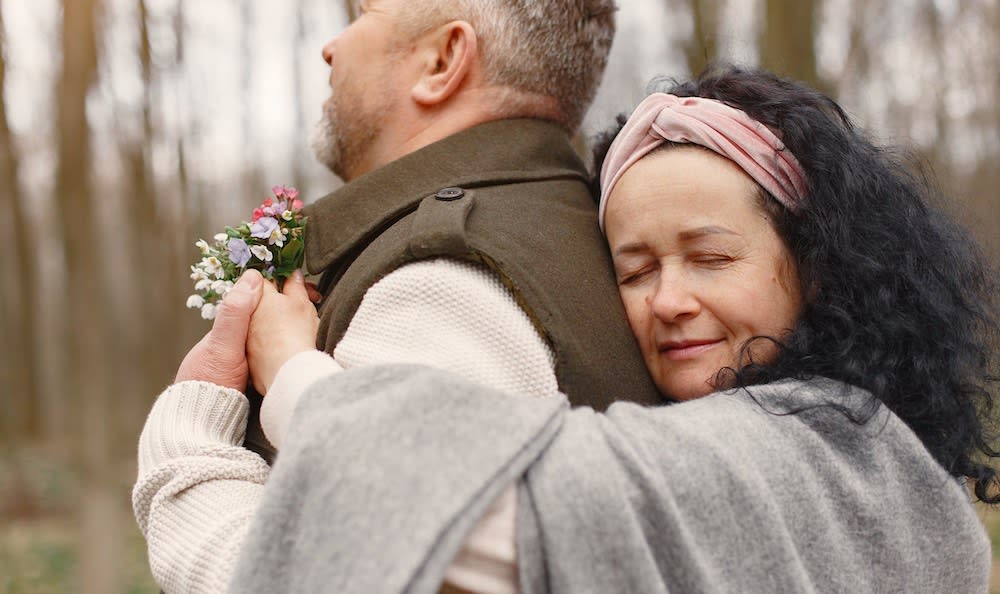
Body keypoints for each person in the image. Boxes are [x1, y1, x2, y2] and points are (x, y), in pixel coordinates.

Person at [211, 64, 994, 591]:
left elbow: (461, 517)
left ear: (818, 265)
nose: (669, 300)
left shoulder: (819, 450)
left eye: (710, 257)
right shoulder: (869, 448)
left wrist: (284, 377)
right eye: (636, 270)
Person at [134, 1, 663, 592]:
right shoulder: (573, 222)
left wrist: (190, 441)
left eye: (364, 13)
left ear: (442, 60)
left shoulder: (443, 281)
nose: (330, 47)